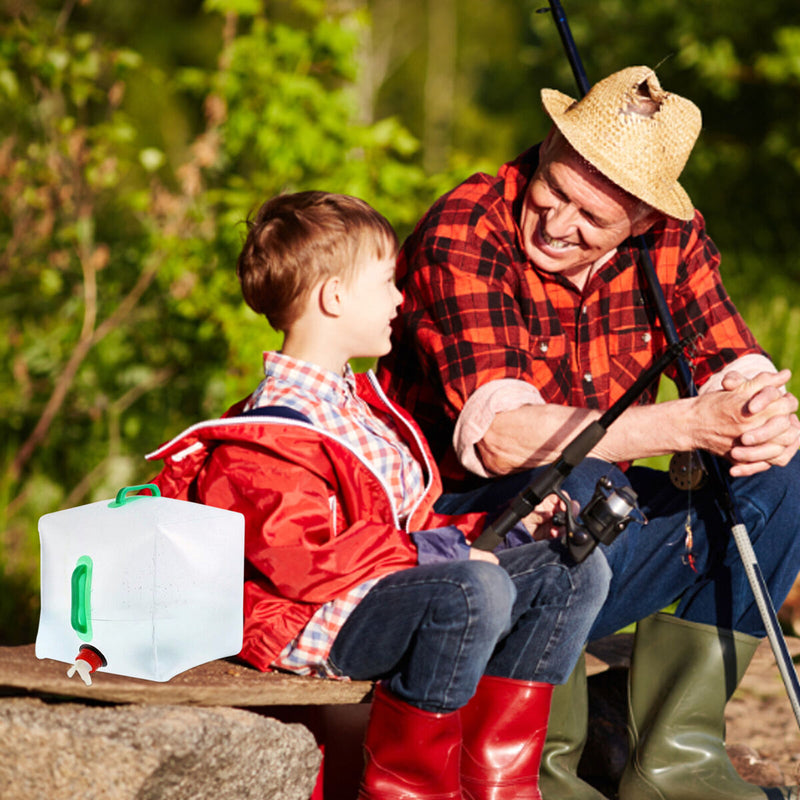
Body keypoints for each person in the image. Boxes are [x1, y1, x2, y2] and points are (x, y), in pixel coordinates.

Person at [377, 66, 800, 800]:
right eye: (553, 190)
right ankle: (543, 761)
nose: (556, 223)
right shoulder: (467, 225)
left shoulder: (671, 238)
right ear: (547, 145)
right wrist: (687, 422)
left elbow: (732, 363)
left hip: (592, 531)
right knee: (575, 483)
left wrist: (759, 417)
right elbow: (503, 439)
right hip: (458, 543)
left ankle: (674, 765)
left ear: (642, 219)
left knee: (785, 479)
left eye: (591, 218)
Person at [146, 191, 611, 800]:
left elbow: (408, 524)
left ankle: (499, 785)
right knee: (475, 588)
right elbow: (300, 559)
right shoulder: (269, 433)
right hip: (313, 619)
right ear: (333, 297)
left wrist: (500, 530)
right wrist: (444, 553)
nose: (401, 298)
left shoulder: (360, 407)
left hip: (384, 592)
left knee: (573, 569)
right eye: (388, 282)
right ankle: (409, 790)